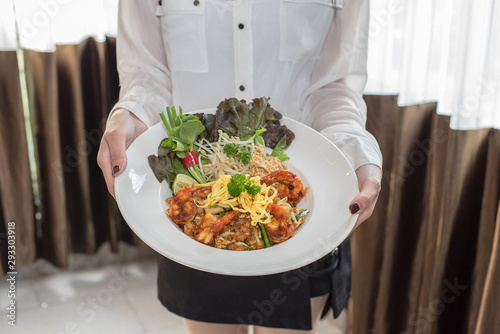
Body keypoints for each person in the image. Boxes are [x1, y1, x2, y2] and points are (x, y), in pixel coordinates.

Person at [97, 0, 382, 333]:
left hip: (304, 219)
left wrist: (352, 154)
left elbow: (334, 87)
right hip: (194, 210)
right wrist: (128, 115)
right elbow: (147, 74)